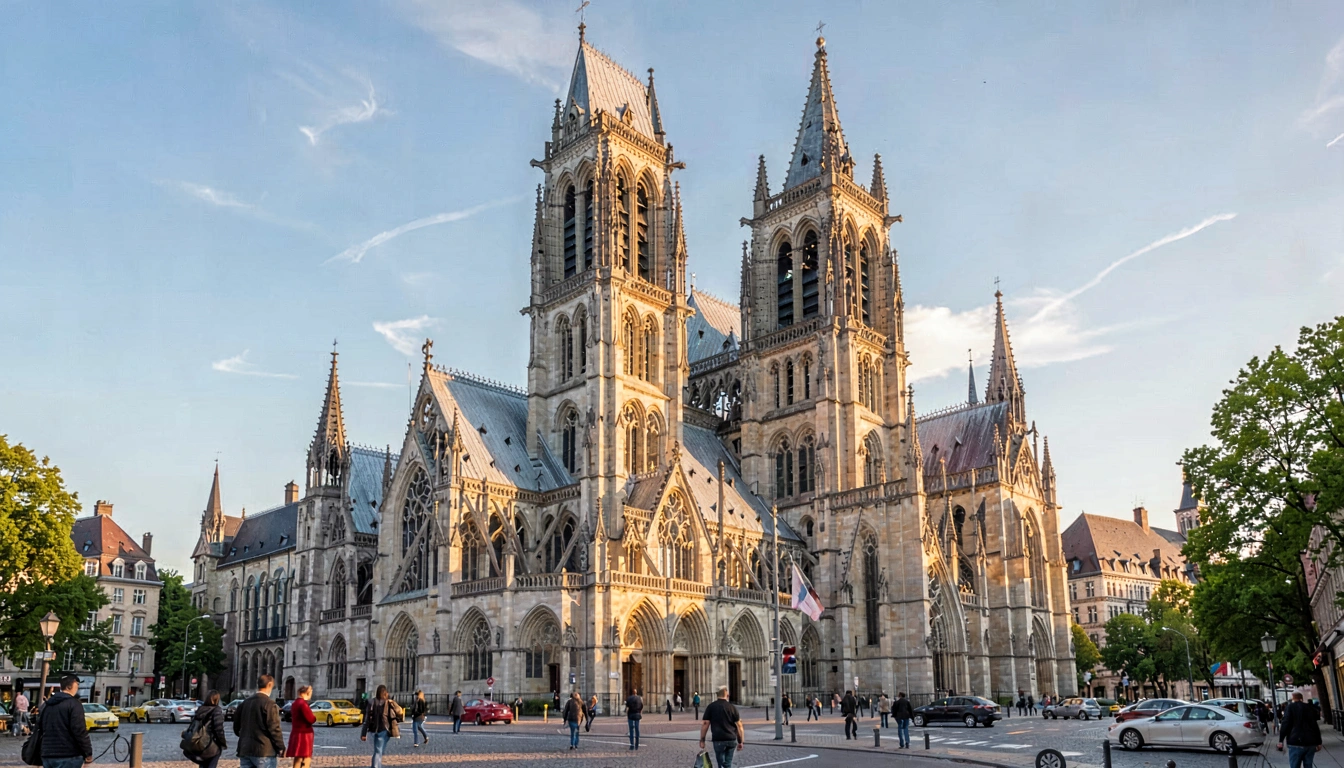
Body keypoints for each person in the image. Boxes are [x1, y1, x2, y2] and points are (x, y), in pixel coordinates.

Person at [39, 674, 92, 768]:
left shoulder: (47, 705)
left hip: (48, 754)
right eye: (77, 685)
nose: (77, 688)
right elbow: (79, 730)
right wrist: (88, 753)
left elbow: (40, 728)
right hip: (69, 754)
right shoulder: (74, 704)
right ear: (69, 687)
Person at [234, 675, 285, 768]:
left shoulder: (244, 703)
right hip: (264, 750)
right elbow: (274, 728)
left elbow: (236, 727)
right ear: (269, 685)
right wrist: (281, 747)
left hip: (245, 748)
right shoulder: (269, 704)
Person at [699, 685, 744, 768]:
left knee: (721, 764)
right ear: (727, 695)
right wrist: (741, 741)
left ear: (717, 695)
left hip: (718, 739)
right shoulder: (732, 707)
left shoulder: (711, 707)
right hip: (731, 739)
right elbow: (739, 726)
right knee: (728, 763)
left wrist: (702, 740)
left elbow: (705, 724)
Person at [360, 685, 403, 768]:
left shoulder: (371, 702)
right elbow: (399, 711)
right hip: (383, 730)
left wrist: (363, 733)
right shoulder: (388, 702)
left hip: (373, 730)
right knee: (378, 751)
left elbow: (367, 719)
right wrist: (393, 702)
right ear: (385, 693)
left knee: (378, 751)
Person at [1278, 692, 1323, 768]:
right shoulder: (1309, 707)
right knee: (1308, 765)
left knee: (1295, 765)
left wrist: (1281, 740)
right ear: (1301, 698)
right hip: (1310, 741)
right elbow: (1314, 725)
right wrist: (1319, 742)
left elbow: (1285, 724)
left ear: (1293, 698)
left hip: (1295, 741)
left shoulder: (1290, 707)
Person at [187, 690, 229, 768]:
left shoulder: (200, 709)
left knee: (202, 764)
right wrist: (223, 743)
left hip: (199, 742)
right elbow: (218, 729)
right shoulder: (216, 710)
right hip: (210, 744)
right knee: (212, 761)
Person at [284, 687, 314, 768]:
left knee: (298, 757)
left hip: (296, 732)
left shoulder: (295, 703)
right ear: (306, 693)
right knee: (306, 757)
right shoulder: (303, 704)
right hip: (305, 734)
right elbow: (311, 719)